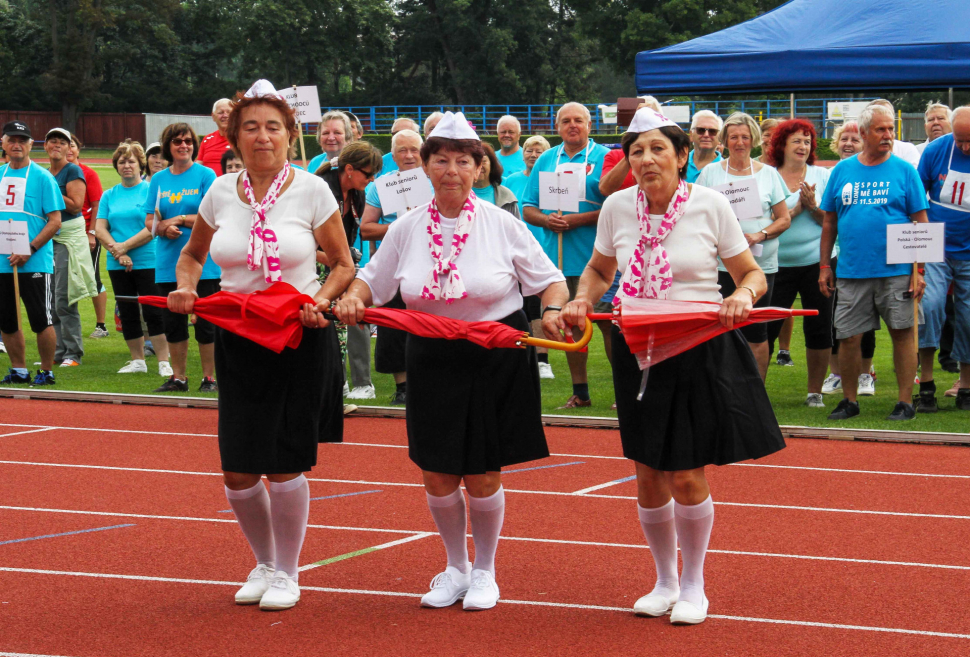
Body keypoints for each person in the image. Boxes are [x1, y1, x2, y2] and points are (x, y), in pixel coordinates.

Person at [335, 111, 568, 612]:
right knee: (437, 471)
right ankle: (454, 567)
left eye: (463, 160)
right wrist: (355, 295)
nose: (451, 170)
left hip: (494, 355)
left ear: (479, 168)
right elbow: (372, 279)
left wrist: (550, 311)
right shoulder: (406, 226)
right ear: (424, 167)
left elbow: (551, 280)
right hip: (431, 354)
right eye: (440, 160)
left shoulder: (504, 224)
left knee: (483, 471)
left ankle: (485, 569)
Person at [559, 108, 784, 626]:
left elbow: (750, 273)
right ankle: (662, 580)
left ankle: (693, 585)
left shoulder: (708, 205)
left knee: (686, 472)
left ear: (682, 156)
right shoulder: (617, 207)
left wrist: (743, 296)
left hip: (694, 346)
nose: (646, 159)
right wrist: (580, 298)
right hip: (635, 349)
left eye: (658, 149)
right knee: (647, 472)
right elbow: (598, 268)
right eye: (636, 150)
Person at [167, 79, 354, 611]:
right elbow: (192, 256)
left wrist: (318, 300)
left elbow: (343, 264)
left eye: (273, 127)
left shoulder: (313, 189)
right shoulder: (220, 191)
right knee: (238, 466)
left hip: (297, 336)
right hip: (238, 337)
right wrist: (184, 287)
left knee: (284, 462)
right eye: (250, 127)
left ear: (291, 135)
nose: (262, 137)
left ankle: (289, 572)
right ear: (233, 136)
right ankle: (264, 561)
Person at [819, 104, 929, 421]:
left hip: (896, 271)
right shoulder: (842, 171)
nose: (888, 136)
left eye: (891, 130)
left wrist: (918, 271)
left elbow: (920, 223)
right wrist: (825, 266)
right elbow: (829, 224)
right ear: (864, 133)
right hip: (852, 270)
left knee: (902, 333)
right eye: (881, 130)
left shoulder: (905, 171)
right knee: (848, 337)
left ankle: (905, 402)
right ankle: (850, 400)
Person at [522, 102, 610, 408]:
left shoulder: (605, 158)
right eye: (566, 121)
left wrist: (578, 220)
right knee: (569, 327)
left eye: (578, 120)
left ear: (589, 124)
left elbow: (616, 205)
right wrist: (548, 220)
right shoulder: (547, 159)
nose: (572, 125)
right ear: (557, 127)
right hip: (559, 261)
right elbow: (528, 207)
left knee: (609, 324)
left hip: (600, 260)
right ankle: (581, 392)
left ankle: (623, 392)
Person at [695, 112, 791, 380]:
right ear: (724, 140)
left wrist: (759, 235)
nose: (739, 142)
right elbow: (695, 215)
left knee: (756, 331)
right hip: (718, 266)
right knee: (719, 328)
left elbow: (784, 220)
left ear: (754, 140)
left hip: (761, 266)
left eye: (745, 137)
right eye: (734, 137)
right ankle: (720, 386)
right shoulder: (709, 174)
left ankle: (754, 390)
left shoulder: (769, 175)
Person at [143, 123, 220, 393]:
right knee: (173, 324)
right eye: (177, 141)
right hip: (167, 263)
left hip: (204, 264)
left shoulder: (205, 175)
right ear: (168, 146)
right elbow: (150, 219)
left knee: (207, 326)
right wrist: (163, 227)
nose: (183, 145)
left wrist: (181, 219)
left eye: (188, 141)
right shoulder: (159, 179)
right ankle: (179, 377)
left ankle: (209, 378)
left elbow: (214, 217)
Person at [763, 120, 832, 407]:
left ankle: (814, 392)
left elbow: (831, 221)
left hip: (817, 262)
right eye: (797, 141)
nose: (803, 146)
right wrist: (796, 208)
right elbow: (764, 223)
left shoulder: (822, 175)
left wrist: (813, 206)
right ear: (782, 145)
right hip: (775, 264)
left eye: (807, 141)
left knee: (819, 327)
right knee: (765, 328)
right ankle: (756, 390)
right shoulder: (767, 176)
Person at [360, 128, 428, 405]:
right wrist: (398, 227)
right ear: (393, 154)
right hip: (394, 267)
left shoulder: (437, 181)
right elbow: (366, 228)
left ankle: (430, 381)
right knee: (394, 325)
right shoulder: (380, 186)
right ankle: (402, 386)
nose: (409, 155)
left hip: (430, 266)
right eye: (403, 150)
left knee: (429, 325)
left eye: (414, 149)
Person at [95, 140, 172, 377]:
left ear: (140, 165)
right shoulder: (109, 195)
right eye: (121, 162)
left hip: (148, 260)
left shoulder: (151, 190)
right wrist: (118, 252)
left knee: (153, 312)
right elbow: (100, 228)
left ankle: (163, 362)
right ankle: (137, 360)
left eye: (131, 161)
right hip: (117, 262)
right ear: (116, 167)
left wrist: (124, 248)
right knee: (127, 312)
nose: (126, 166)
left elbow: (153, 226)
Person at [316, 141, 382, 401]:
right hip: (310, 267)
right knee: (323, 325)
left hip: (336, 266)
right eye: (368, 173)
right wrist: (337, 262)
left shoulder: (358, 194)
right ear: (351, 169)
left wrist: (344, 264)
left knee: (347, 321)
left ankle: (343, 384)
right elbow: (303, 243)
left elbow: (347, 238)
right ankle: (330, 383)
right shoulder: (321, 190)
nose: (373, 178)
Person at [914, 105, 970, 412]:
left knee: (969, 316)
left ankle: (966, 386)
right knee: (931, 306)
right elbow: (916, 194)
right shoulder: (936, 151)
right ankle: (927, 384)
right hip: (937, 247)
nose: (965, 147)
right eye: (960, 140)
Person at [0, 121, 64, 386]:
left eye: (22, 140)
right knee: (7, 318)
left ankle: (46, 370)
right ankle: (19, 369)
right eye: (12, 140)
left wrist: (30, 249)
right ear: (3, 143)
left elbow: (55, 220)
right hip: (4, 261)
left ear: (30, 145)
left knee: (41, 318)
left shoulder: (42, 177)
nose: (17, 145)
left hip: (35, 260)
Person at [821, 121, 878, 397]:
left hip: (867, 259)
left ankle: (866, 374)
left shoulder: (876, 173)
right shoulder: (834, 173)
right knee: (838, 322)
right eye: (844, 138)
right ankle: (837, 375)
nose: (848, 144)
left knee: (866, 324)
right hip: (837, 258)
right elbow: (828, 219)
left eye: (855, 139)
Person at [46, 127, 97, 367]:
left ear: (69, 148)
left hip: (67, 238)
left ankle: (72, 353)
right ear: (45, 146)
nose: (56, 145)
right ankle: (58, 351)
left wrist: (50, 188)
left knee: (64, 299)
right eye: (52, 141)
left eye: (61, 142)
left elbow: (76, 206)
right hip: (49, 240)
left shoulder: (72, 171)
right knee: (52, 299)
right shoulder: (47, 173)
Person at [504, 135, 554, 379]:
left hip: (541, 248)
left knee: (536, 306)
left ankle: (542, 359)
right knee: (515, 305)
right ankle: (516, 352)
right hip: (510, 250)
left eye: (539, 150)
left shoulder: (550, 182)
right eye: (529, 150)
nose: (533, 154)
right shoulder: (510, 181)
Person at [67, 134, 108, 338]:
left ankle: (101, 325)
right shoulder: (52, 173)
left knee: (92, 277)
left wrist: (92, 233)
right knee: (62, 280)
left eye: (72, 145)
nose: (68, 150)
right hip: (61, 235)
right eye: (66, 145)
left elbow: (97, 205)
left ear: (78, 149)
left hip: (85, 233)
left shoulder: (88, 174)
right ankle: (65, 326)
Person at [599, 98, 663, 197]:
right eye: (637, 117)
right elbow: (605, 189)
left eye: (648, 117)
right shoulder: (614, 155)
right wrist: (632, 152)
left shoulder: (666, 154)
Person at [867, 99, 921, 168]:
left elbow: (912, 177)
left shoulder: (907, 150)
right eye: (880, 129)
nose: (887, 136)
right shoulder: (858, 155)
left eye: (888, 114)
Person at [472, 144, 519, 215]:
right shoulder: (459, 195)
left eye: (483, 161)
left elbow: (516, 225)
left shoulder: (507, 196)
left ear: (492, 165)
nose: (479, 166)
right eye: (474, 162)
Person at [197, 98, 234, 174]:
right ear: (213, 117)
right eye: (221, 112)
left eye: (229, 112)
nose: (225, 115)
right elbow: (199, 163)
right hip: (209, 184)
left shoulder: (241, 139)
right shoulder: (207, 139)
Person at [685, 111, 723, 183]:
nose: (706, 135)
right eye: (701, 130)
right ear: (691, 135)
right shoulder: (678, 164)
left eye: (712, 131)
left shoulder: (725, 169)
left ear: (720, 138)